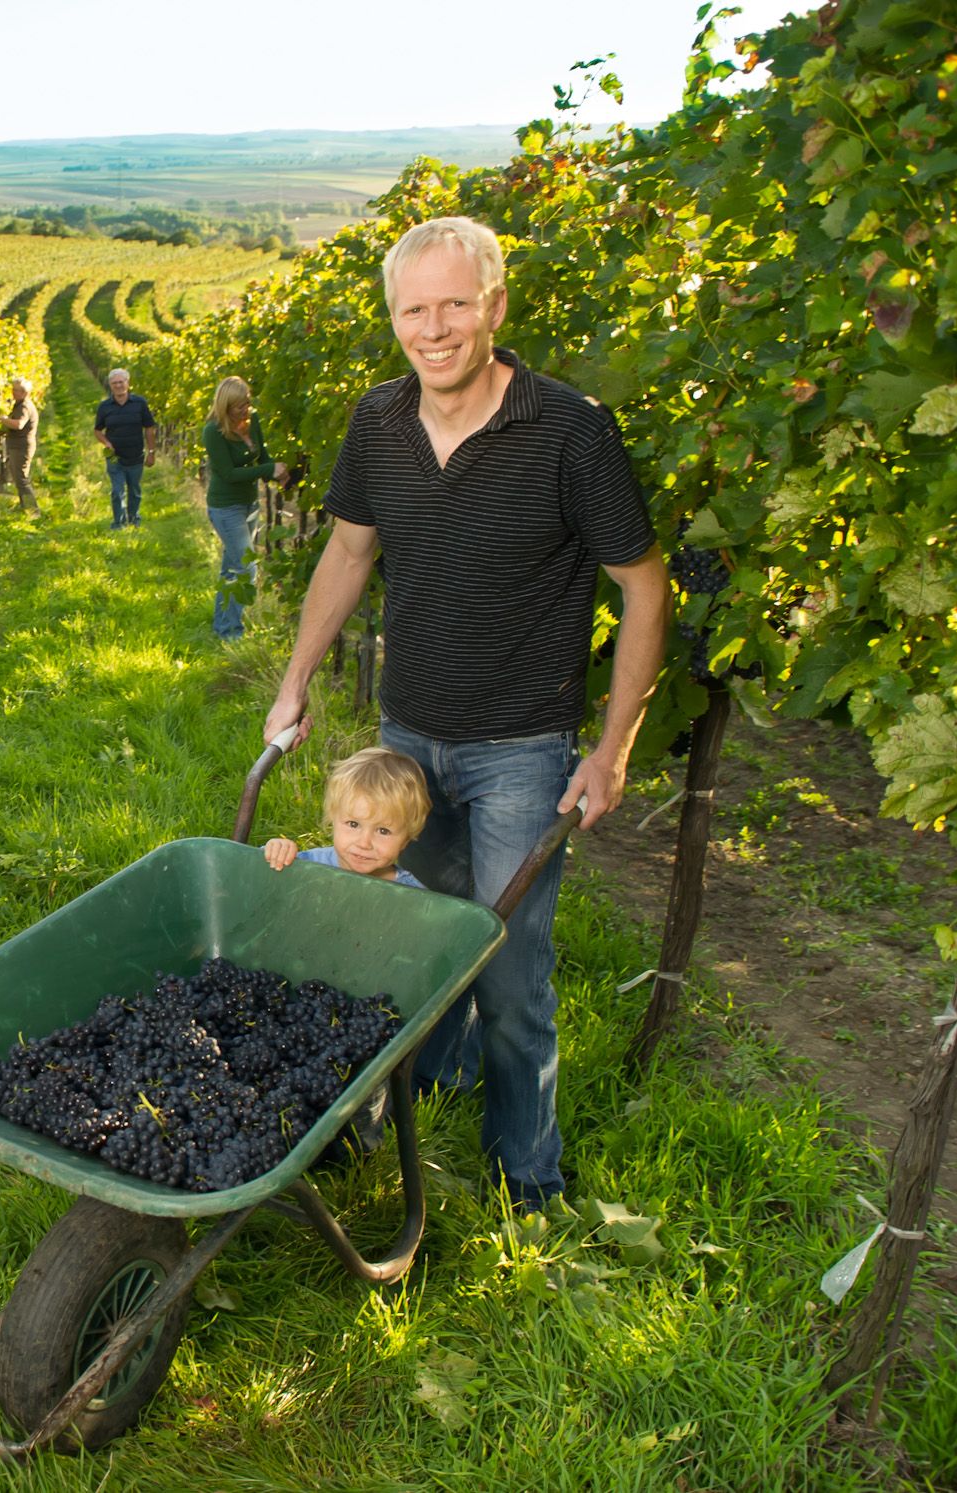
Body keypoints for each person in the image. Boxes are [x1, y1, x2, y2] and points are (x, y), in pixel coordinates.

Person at [261, 216, 668, 1211]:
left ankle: (528, 1175)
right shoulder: (378, 422)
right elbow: (350, 554)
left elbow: (646, 589)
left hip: (524, 749)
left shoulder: (571, 429)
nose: (433, 328)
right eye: (413, 309)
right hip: (410, 740)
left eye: (454, 304)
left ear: (493, 306)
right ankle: (427, 1082)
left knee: (510, 966)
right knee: (416, 937)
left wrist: (611, 749)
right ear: (393, 317)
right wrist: (296, 677)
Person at [261, 747, 428, 889]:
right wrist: (277, 851)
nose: (364, 843)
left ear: (406, 839)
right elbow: (254, 875)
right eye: (353, 824)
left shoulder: (412, 896)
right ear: (333, 819)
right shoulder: (310, 864)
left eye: (383, 831)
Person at [199, 376, 288, 641]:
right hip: (225, 507)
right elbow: (228, 473)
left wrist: (277, 473)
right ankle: (233, 632)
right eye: (239, 406)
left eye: (247, 402)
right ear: (225, 406)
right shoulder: (213, 431)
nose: (245, 409)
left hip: (250, 503)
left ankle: (222, 627)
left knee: (231, 569)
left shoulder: (253, 421)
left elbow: (263, 456)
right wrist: (268, 470)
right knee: (247, 567)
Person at [92, 368, 156, 529]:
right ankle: (118, 523)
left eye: (121, 382)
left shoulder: (140, 403)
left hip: (135, 456)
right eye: (115, 383)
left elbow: (149, 428)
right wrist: (106, 443)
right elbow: (97, 431)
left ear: (127, 383)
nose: (118, 385)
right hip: (115, 458)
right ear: (110, 386)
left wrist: (151, 452)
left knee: (134, 490)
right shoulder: (105, 407)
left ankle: (133, 518)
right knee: (117, 491)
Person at [1, 376, 39, 514]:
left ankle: (33, 511)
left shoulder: (24, 406)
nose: (13, 392)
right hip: (18, 445)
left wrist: (3, 420)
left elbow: (19, 424)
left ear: (25, 393)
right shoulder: (20, 404)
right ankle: (26, 507)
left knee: (21, 478)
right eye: (13, 389)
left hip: (21, 446)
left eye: (17, 390)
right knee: (18, 477)